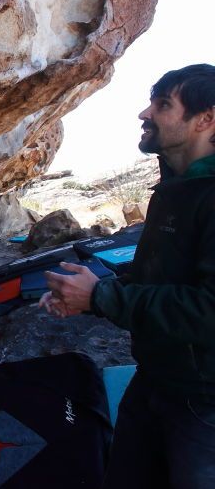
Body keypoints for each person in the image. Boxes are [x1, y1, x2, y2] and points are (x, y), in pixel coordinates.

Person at [39, 64, 215, 488]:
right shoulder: (175, 187)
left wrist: (101, 298)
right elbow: (159, 277)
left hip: (204, 403)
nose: (144, 114)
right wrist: (87, 294)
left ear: (206, 119)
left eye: (162, 105)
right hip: (156, 377)